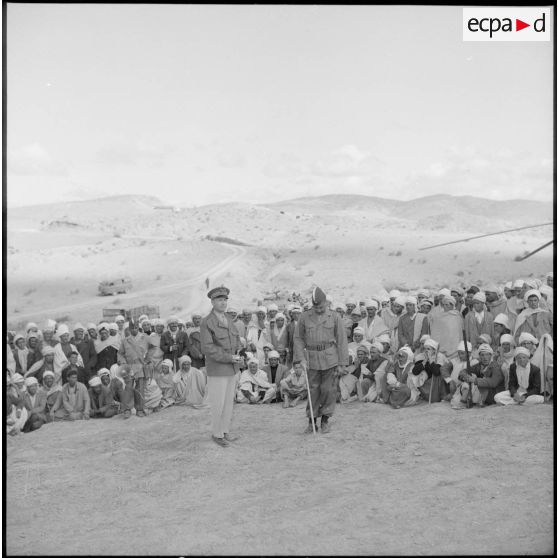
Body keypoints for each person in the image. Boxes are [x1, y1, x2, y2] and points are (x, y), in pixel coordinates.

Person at [294, 286, 349, 434]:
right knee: (313, 391)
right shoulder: (304, 317)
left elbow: (342, 340)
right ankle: (312, 422)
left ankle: (325, 420)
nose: (319, 309)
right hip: (311, 359)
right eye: (316, 307)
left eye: (321, 306)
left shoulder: (335, 317)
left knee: (328, 390)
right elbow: (298, 338)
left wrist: (342, 363)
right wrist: (300, 359)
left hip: (330, 358)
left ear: (326, 303)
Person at [200, 285, 243, 447]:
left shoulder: (229, 320)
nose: (223, 303)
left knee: (228, 403)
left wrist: (239, 350)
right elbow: (208, 348)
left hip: (232, 367)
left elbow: (236, 339)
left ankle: (224, 431)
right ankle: (216, 434)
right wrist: (230, 357)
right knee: (218, 403)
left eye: (225, 300)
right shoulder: (207, 322)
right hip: (217, 369)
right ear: (212, 302)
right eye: (219, 300)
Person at [118, 320, 149, 417]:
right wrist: (123, 363)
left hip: (140, 366)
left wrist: (148, 361)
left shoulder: (145, 338)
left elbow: (150, 351)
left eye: (136, 327)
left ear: (138, 327)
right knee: (128, 388)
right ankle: (127, 409)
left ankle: (139, 409)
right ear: (129, 329)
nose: (134, 330)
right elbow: (120, 354)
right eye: (132, 328)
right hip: (129, 367)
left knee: (140, 388)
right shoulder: (125, 341)